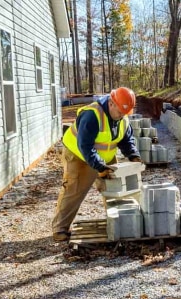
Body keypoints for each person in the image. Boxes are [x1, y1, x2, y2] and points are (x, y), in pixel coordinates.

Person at [52, 87, 142, 242]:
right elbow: (85, 146)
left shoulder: (122, 118)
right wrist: (99, 166)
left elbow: (126, 139)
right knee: (74, 190)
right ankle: (60, 228)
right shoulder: (92, 115)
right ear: (111, 103)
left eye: (124, 113)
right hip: (78, 155)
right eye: (120, 112)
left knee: (115, 188)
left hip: (105, 157)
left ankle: (118, 222)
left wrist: (133, 155)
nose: (121, 116)